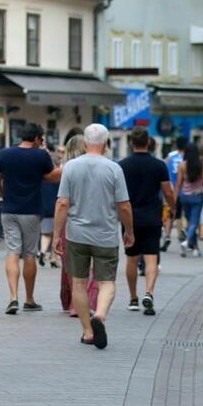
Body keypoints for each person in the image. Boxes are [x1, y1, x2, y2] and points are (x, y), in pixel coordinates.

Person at [53, 124, 134, 349]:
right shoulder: (114, 169)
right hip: (106, 235)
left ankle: (88, 331)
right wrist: (129, 231)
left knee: (78, 282)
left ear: (86, 142)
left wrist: (57, 235)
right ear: (106, 143)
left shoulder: (70, 167)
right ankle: (99, 315)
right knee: (106, 282)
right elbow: (124, 206)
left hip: (77, 234)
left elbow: (62, 203)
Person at [0, 122, 62, 315]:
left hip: (9, 209)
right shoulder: (41, 155)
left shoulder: (5, 154)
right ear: (38, 138)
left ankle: (13, 297)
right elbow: (53, 176)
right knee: (30, 254)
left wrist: (3, 195)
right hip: (31, 211)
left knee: (12, 252)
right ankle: (29, 300)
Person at [119, 126, 174, 316]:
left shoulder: (123, 165)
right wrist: (173, 208)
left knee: (131, 259)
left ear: (131, 143)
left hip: (130, 218)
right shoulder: (159, 165)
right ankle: (149, 293)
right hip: (152, 218)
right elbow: (167, 191)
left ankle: (133, 298)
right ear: (148, 143)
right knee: (152, 258)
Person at [57, 135, 98, 316]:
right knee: (91, 261)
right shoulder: (98, 167)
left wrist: (56, 233)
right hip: (94, 217)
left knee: (72, 262)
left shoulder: (66, 169)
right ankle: (87, 300)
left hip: (71, 219)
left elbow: (62, 201)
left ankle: (75, 302)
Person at [174, 143, 203, 258]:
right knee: (194, 222)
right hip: (197, 197)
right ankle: (187, 241)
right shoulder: (201, 164)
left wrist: (173, 199)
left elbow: (178, 184)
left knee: (190, 222)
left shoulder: (182, 165)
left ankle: (196, 248)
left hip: (185, 197)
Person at [162, 137, 187, 249]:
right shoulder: (187, 157)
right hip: (183, 190)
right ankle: (181, 234)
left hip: (171, 190)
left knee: (169, 214)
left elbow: (164, 169)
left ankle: (167, 236)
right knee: (180, 215)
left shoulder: (170, 156)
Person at [39, 151, 60, 268]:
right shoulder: (58, 177)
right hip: (56, 209)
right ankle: (53, 257)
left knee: (46, 234)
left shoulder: (42, 177)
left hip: (43, 209)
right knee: (56, 235)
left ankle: (42, 252)